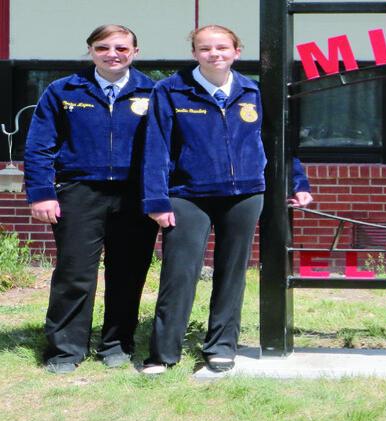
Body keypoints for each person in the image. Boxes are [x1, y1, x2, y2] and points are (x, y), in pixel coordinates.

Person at [141, 25, 312, 374]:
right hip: (187, 196)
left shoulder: (253, 91)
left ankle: (221, 346)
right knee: (179, 273)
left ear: (236, 51)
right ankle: (163, 354)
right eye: (205, 48)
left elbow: (279, 143)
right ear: (194, 53)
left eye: (222, 47)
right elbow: (155, 148)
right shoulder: (170, 91)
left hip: (245, 194)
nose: (214, 54)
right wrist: (156, 199)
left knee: (232, 272)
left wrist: (298, 182)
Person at [24, 25, 158, 374]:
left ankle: (116, 345)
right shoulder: (63, 90)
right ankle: (65, 351)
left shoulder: (154, 92)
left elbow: (168, 148)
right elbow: (39, 147)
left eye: (121, 48)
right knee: (74, 274)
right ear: (90, 51)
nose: (112, 53)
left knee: (127, 274)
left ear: (135, 52)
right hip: (79, 192)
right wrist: (42, 193)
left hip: (135, 196)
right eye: (103, 47)